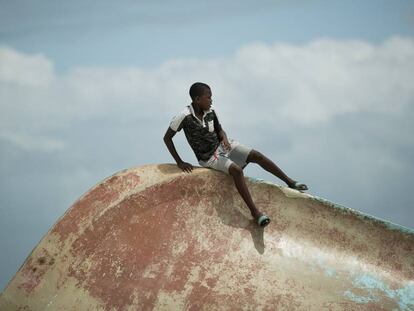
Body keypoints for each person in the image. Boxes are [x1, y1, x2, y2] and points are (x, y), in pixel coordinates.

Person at [163, 82, 308, 227]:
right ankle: (256, 213)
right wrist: (179, 162)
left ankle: (290, 182)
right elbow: (167, 138)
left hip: (223, 146)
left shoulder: (211, 112)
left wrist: (224, 138)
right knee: (236, 171)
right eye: (208, 97)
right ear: (197, 99)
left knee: (256, 155)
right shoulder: (184, 116)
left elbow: (220, 130)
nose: (211, 100)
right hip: (209, 157)